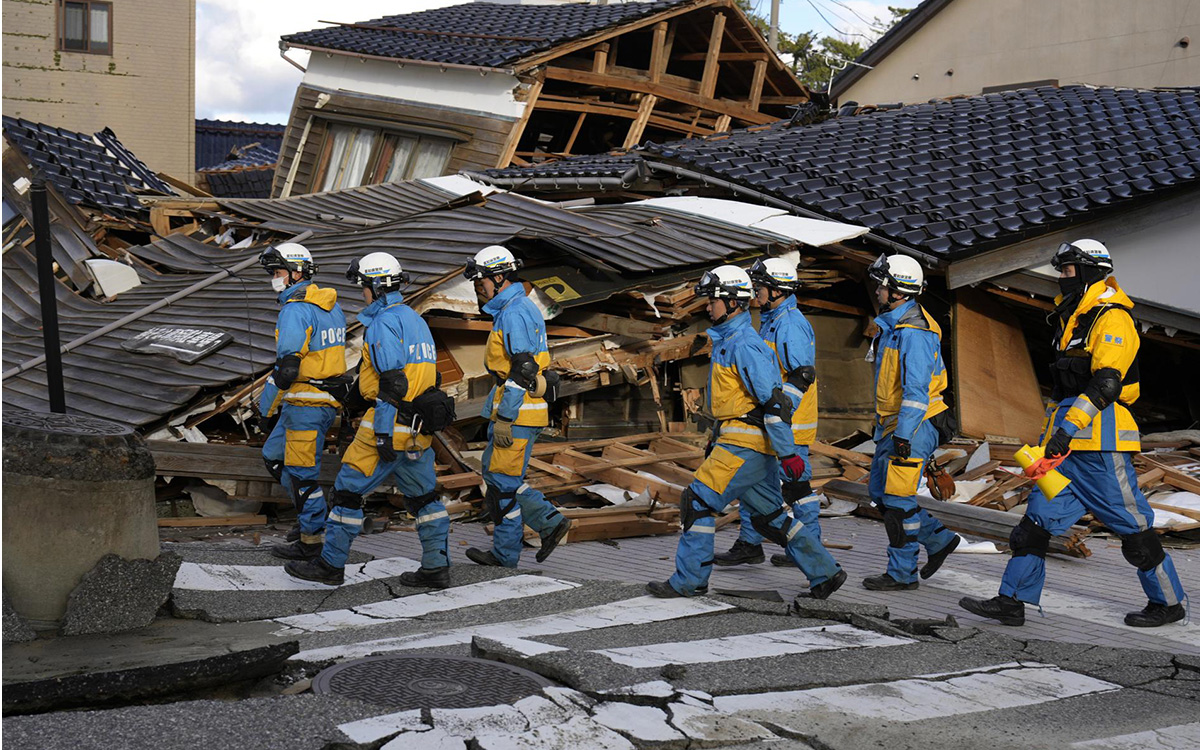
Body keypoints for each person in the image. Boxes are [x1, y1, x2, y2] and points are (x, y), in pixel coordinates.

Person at [960, 239, 1187, 627]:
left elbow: (1105, 386)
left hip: (1100, 446)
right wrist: (1049, 437)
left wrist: (1067, 429)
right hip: (1065, 449)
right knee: (1033, 526)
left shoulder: (1112, 318)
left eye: (1066, 272)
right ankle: (1011, 602)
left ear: (1088, 273)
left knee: (1135, 531)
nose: (1061, 279)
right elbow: (1066, 391)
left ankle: (1169, 603)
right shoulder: (1074, 320)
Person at [647, 265, 846, 600]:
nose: (708, 307)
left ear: (734, 304)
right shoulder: (730, 341)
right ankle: (825, 572)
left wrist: (788, 455)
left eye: (714, 300)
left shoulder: (744, 345)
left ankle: (689, 581)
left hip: (744, 446)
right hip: (741, 442)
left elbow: (775, 404)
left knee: (696, 502)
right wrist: (715, 437)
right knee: (770, 517)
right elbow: (735, 402)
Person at [285, 253, 450, 587]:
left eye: (362, 287)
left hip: (388, 424)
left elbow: (393, 382)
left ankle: (329, 565)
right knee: (425, 500)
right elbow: (418, 374)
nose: (361, 293)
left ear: (375, 287)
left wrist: (382, 434)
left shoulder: (382, 323)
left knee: (347, 493)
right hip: (418, 430)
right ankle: (436, 567)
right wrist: (354, 390)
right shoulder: (415, 319)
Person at [460, 245, 571, 568]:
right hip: (516, 408)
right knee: (497, 478)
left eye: (482, 282)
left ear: (498, 277)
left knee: (503, 479)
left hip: (518, 411)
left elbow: (521, 372)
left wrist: (506, 417)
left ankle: (549, 522)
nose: (480, 289)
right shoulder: (513, 308)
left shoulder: (514, 312)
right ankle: (504, 552)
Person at [715, 258, 826, 569]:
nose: (755, 293)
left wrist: (780, 411)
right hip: (773, 422)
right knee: (756, 484)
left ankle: (808, 548)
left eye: (760, 288)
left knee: (797, 488)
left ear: (777, 290)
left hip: (790, 425)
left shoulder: (790, 324)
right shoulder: (772, 319)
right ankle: (750, 544)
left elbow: (801, 375)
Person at [860, 253, 959, 591]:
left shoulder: (914, 332)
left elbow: (916, 391)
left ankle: (902, 574)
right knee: (881, 493)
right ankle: (939, 540)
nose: (877, 291)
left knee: (898, 500)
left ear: (898, 291)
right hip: (897, 425)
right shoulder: (894, 325)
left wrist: (904, 435)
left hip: (913, 425)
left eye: (882, 286)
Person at [258, 242, 347, 562]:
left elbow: (287, 368)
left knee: (300, 474)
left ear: (297, 273)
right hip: (314, 402)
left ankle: (311, 539)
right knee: (273, 456)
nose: (274, 279)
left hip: (305, 405)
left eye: (278, 272)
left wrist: (265, 410)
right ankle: (312, 514)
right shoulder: (330, 306)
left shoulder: (295, 310)